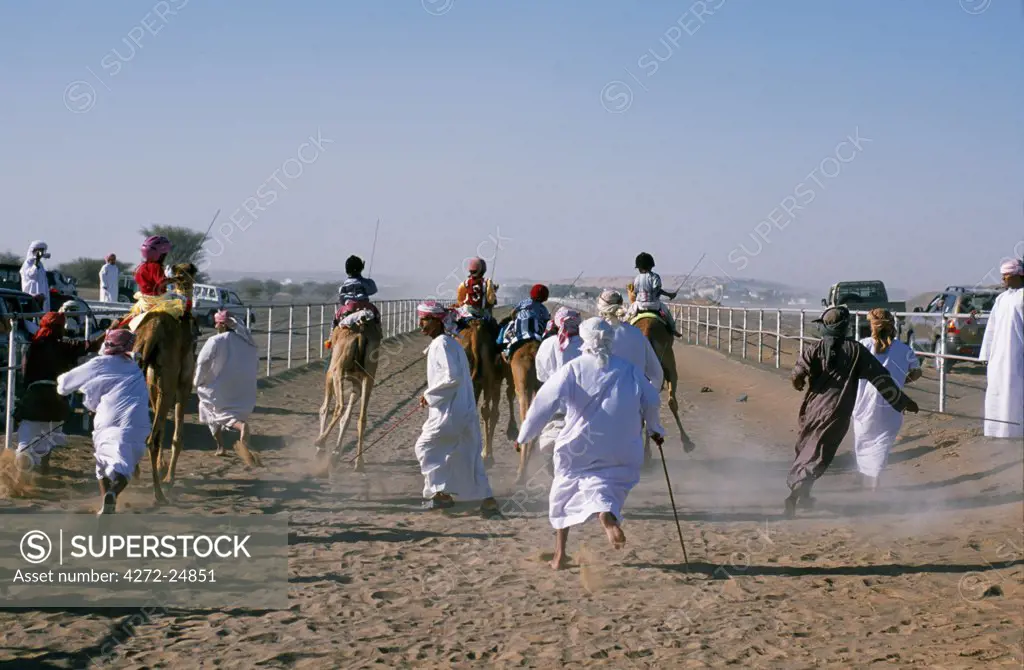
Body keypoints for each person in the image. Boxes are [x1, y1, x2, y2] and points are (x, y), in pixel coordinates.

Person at [514, 317, 665, 570]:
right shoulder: (629, 369)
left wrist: (524, 436)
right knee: (608, 482)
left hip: (578, 444)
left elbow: (543, 403)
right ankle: (607, 517)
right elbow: (651, 399)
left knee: (564, 489)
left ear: (584, 339)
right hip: (622, 444)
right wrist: (655, 429)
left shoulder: (573, 368)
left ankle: (560, 555)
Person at [786, 306, 919, 517]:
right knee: (821, 453)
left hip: (811, 409)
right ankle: (796, 493)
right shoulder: (857, 351)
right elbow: (882, 380)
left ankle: (802, 492)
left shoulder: (813, 349)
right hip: (837, 411)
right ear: (846, 327)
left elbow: (796, 376)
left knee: (807, 447)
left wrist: (799, 382)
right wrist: (903, 402)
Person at [414, 301, 501, 517]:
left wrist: (428, 395)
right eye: (422, 318)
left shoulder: (442, 344)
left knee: (424, 447)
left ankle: (440, 494)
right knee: (468, 454)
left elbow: (451, 377)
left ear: (438, 321)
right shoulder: (451, 343)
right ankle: (487, 499)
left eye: (425, 319)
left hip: (449, 410)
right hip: (465, 409)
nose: (421, 323)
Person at [56, 329, 150, 515]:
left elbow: (65, 384)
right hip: (137, 422)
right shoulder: (134, 367)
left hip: (107, 419)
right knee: (126, 464)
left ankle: (106, 500)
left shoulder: (100, 363)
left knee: (102, 463)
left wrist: (61, 384)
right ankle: (113, 494)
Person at [14, 312, 103, 475]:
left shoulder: (32, 346)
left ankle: (21, 473)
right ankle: (43, 470)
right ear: (58, 329)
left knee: (26, 440)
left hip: (34, 397)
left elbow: (24, 376)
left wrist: (22, 398)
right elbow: (93, 346)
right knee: (47, 439)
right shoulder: (65, 346)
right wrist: (110, 330)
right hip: (56, 400)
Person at [851, 309, 922, 490]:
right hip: (892, 401)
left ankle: (866, 476)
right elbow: (917, 371)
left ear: (871, 325)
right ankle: (875, 480)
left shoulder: (861, 346)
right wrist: (901, 381)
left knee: (864, 438)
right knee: (882, 442)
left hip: (863, 404)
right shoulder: (904, 349)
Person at [194, 309, 259, 457]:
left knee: (211, 410)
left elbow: (203, 361)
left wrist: (198, 380)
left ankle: (230, 437)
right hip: (243, 387)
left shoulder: (215, 340)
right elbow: (255, 362)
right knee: (225, 412)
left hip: (219, 386)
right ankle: (225, 443)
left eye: (217, 324)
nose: (215, 327)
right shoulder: (246, 341)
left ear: (223, 325)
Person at [979, 259, 1024, 439]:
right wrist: (987, 353)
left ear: (1018, 275)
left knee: (1015, 393)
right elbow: (991, 328)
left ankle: (1015, 431)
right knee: (997, 392)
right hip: (998, 357)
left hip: (1017, 355)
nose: (1003, 278)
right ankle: (997, 431)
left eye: (1006, 275)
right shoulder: (1001, 299)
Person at [535, 306, 584, 458]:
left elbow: (541, 376)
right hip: (582, 405)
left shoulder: (547, 344)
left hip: (554, 405)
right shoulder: (587, 344)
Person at [595, 289, 664, 389]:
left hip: (604, 400)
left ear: (600, 308)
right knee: (665, 313)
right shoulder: (637, 333)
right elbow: (657, 375)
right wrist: (647, 397)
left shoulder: (594, 335)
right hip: (635, 400)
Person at [120, 235, 185, 329]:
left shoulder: (140, 266)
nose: (165, 256)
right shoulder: (156, 267)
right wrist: (177, 279)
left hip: (144, 300)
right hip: (157, 299)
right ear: (160, 254)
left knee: (130, 315)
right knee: (183, 301)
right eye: (164, 254)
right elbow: (162, 282)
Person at [627, 252, 682, 337]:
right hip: (655, 306)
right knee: (666, 314)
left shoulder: (637, 278)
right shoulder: (655, 277)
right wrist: (669, 295)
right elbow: (658, 290)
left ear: (639, 268)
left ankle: (621, 330)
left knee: (627, 317)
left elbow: (635, 292)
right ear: (651, 266)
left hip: (639, 305)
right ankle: (673, 329)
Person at [500, 284, 551, 357]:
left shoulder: (523, 302)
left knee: (508, 334)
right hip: (533, 329)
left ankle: (507, 350)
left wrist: (514, 320)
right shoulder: (542, 308)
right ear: (544, 298)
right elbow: (546, 320)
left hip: (519, 327)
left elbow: (513, 312)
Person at [333, 255, 379, 328]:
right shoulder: (365, 282)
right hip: (365, 306)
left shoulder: (343, 286)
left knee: (336, 319)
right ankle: (378, 331)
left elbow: (342, 299)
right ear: (361, 268)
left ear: (346, 270)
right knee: (376, 314)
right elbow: (373, 290)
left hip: (348, 307)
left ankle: (331, 336)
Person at [455, 257, 498, 327]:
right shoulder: (488, 282)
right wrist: (494, 291)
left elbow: (460, 300)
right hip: (483, 314)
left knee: (457, 328)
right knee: (495, 328)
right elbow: (491, 300)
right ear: (483, 270)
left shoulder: (464, 283)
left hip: (469, 313)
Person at [20, 240, 50, 313]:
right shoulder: (28, 263)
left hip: (41, 295)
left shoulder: (40, 264)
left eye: (43, 250)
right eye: (40, 250)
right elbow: (31, 274)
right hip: (32, 293)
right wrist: (36, 261)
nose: (42, 253)